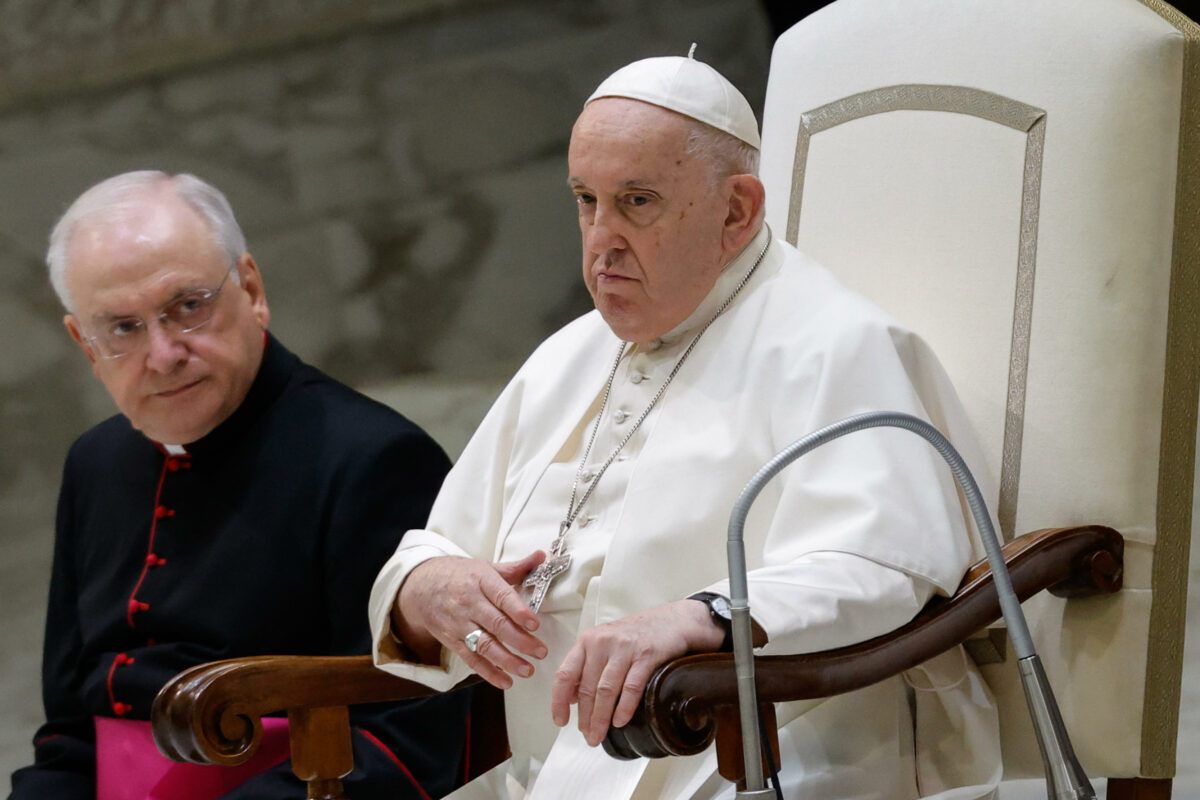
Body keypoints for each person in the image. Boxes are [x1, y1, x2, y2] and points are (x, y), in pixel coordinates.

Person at [368, 54, 1002, 799]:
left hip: (761, 761)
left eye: (636, 202)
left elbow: (885, 566)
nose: (601, 240)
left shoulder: (838, 345)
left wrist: (706, 616)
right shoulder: (567, 356)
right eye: (585, 199)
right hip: (543, 776)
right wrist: (427, 587)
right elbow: (441, 548)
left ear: (737, 211)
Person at [9, 171, 469, 800]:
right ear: (84, 346)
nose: (164, 352)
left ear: (250, 288)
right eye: (123, 328)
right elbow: (69, 737)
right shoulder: (95, 463)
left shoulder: (373, 457)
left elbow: (406, 742)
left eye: (188, 307)